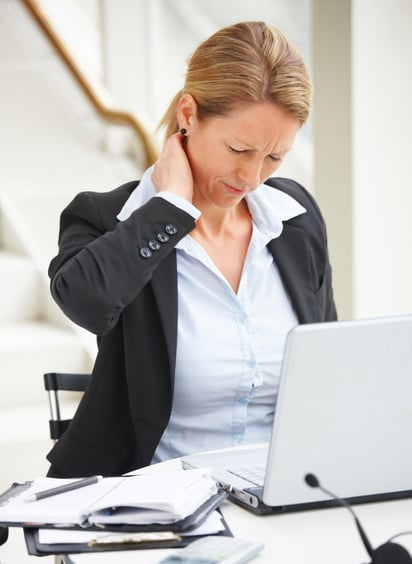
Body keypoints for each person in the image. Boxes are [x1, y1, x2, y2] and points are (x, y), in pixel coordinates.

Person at [46, 21, 337, 478]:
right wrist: (170, 209)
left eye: (274, 156)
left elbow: (327, 362)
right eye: (238, 148)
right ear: (189, 114)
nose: (252, 176)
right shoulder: (108, 218)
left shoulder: (295, 218)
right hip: (157, 503)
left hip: (283, 493)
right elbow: (85, 302)